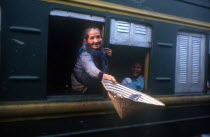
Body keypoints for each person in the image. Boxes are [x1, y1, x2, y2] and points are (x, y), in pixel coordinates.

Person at [71, 27, 117, 93]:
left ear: (102, 38)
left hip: (93, 84)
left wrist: (108, 57)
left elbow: (102, 64)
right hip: (81, 88)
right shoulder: (84, 54)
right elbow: (91, 68)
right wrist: (104, 75)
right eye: (92, 38)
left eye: (98, 37)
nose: (96, 41)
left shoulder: (100, 51)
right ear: (85, 40)